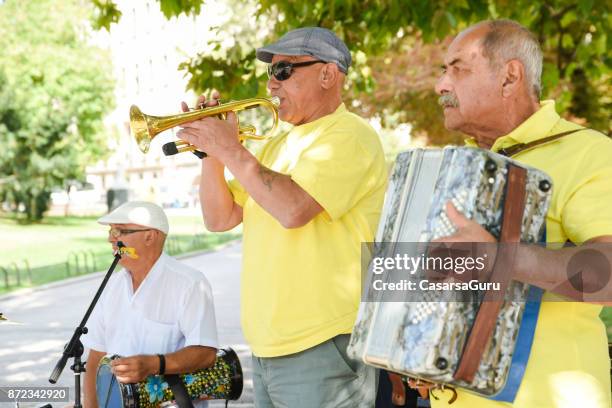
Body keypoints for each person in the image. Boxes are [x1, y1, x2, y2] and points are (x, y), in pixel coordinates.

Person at [178, 27, 388, 407]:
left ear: (328, 74)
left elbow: (294, 210)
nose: (272, 85)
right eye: (270, 73)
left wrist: (231, 149)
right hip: (269, 346)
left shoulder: (349, 134)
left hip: (323, 342)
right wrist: (211, 155)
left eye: (284, 72)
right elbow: (220, 219)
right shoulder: (277, 143)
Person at [426, 19, 612, 407]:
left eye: (457, 69)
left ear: (510, 77)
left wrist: (499, 258)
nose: (441, 86)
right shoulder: (459, 167)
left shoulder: (590, 152)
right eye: (443, 72)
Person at [82, 201, 219, 408]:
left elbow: (206, 353)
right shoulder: (112, 286)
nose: (111, 238)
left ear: (149, 236)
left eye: (119, 231)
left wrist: (154, 364)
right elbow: (96, 357)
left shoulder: (190, 283)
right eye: (111, 231)